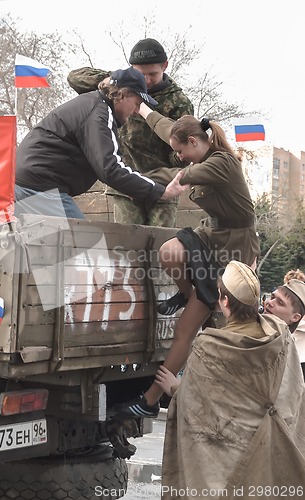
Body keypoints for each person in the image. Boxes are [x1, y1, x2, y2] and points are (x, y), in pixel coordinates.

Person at [113, 107, 259, 418]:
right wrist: (142, 108)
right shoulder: (194, 143)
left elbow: (180, 176)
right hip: (213, 233)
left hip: (234, 248)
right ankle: (188, 293)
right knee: (170, 252)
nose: (178, 156)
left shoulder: (221, 163)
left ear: (193, 142)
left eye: (180, 151)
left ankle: (150, 400)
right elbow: (167, 127)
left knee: (185, 329)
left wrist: (118, 173)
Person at [160, 260, 305, 499]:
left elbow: (197, 403)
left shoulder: (210, 346)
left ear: (224, 301)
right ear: (257, 301)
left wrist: (174, 388)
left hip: (225, 460)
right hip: (265, 458)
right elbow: (293, 393)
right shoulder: (282, 339)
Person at [14, 67, 184, 219]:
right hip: (39, 187)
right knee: (82, 245)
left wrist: (132, 188)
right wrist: (161, 192)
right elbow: (110, 169)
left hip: (26, 182)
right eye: (137, 103)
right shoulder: (99, 113)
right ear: (123, 95)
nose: (136, 111)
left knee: (45, 244)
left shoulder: (94, 104)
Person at [67, 38, 194, 227]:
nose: (147, 81)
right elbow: (74, 77)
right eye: (141, 75)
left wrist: (182, 156)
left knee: (160, 245)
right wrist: (116, 79)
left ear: (165, 66)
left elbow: (179, 152)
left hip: (162, 183)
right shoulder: (120, 88)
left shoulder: (178, 102)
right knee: (128, 244)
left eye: (153, 74)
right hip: (126, 183)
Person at [265, 271, 305, 380]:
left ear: (295, 317)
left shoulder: (293, 361)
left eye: (280, 303)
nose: (270, 302)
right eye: (272, 297)